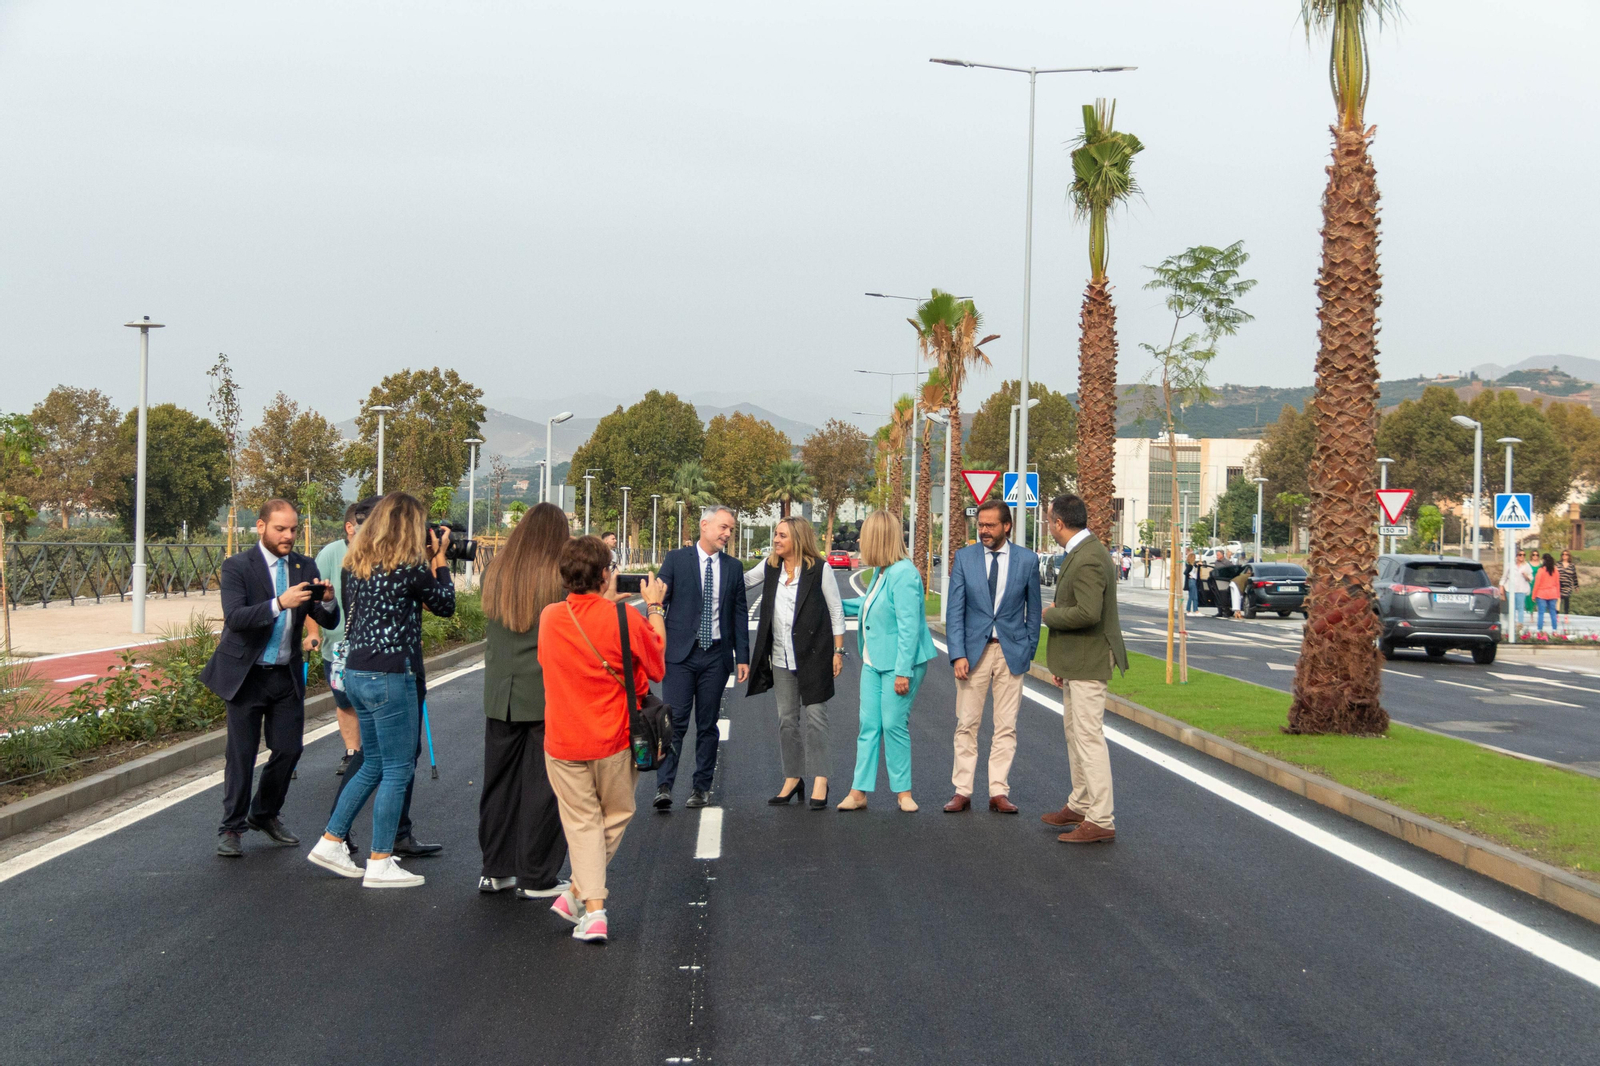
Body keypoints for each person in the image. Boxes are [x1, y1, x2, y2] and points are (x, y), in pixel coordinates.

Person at [307, 493, 455, 888]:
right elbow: (445, 605)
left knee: (372, 762)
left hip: (356, 672)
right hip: (391, 675)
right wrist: (440, 560)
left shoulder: (356, 564)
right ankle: (380, 860)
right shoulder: (410, 568)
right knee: (397, 768)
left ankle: (331, 841)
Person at [538, 536, 668, 944]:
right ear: (605, 574)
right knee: (616, 813)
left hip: (562, 740)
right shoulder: (624, 618)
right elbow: (657, 664)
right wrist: (654, 607)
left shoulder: (549, 617)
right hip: (612, 739)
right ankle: (595, 912)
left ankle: (578, 894)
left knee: (582, 823)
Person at [202, 499, 340, 857]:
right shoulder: (237, 566)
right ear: (261, 527)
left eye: (292, 529)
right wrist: (280, 602)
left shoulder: (304, 565)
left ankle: (263, 813)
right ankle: (231, 828)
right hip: (246, 676)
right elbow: (235, 617)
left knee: (290, 749)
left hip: (284, 674)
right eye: (280, 529)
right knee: (242, 755)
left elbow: (327, 620)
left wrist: (327, 601)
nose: (288, 536)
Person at [477, 502, 572, 899]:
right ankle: (536, 874)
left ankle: (496, 869)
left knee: (498, 785)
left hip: (501, 693)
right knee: (544, 787)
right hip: (547, 694)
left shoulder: (494, 571)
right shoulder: (559, 579)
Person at [941, 499, 1041, 814]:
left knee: (1006, 726)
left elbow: (1034, 612)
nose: (983, 530)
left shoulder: (1027, 560)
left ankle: (999, 791)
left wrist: (1028, 649)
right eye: (980, 524)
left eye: (990, 525)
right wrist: (957, 653)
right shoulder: (965, 558)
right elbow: (954, 611)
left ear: (1006, 526)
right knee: (966, 723)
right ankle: (962, 790)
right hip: (973, 654)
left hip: (1011, 652)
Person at [1040, 494, 1128, 844]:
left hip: (1090, 659)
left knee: (1089, 738)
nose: (1048, 527)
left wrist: (1051, 616)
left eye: (1049, 521)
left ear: (1059, 523)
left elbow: (1088, 613)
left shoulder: (1089, 557)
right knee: (1075, 735)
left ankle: (1101, 818)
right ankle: (1081, 803)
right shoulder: (1082, 551)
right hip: (1078, 659)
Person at [837, 510, 937, 813]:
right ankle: (858, 792)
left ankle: (904, 793)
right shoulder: (883, 571)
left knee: (893, 724)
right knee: (868, 725)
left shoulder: (904, 574)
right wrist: (833, 603)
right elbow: (867, 604)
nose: (859, 541)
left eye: (864, 536)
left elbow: (909, 627)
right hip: (874, 661)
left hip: (901, 664)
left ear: (878, 538)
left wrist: (903, 672)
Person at [744, 515, 845, 810]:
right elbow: (743, 582)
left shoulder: (819, 569)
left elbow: (836, 610)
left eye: (782, 536)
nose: (776, 540)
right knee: (787, 721)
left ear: (798, 539)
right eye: (776, 534)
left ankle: (821, 780)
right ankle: (793, 778)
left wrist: (838, 652)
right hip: (780, 656)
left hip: (814, 655)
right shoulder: (770, 566)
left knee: (816, 718)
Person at [652, 505, 750, 810]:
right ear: (704, 525)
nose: (728, 534)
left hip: (716, 656)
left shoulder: (733, 567)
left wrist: (742, 656)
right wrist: (654, 644)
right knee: (675, 722)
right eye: (723, 527)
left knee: (708, 724)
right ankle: (664, 786)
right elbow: (658, 601)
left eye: (731, 529)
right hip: (680, 656)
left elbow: (739, 613)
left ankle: (701, 787)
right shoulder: (676, 560)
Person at [306, 498, 378, 780]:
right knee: (345, 702)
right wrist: (313, 633)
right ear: (351, 527)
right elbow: (312, 598)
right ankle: (352, 752)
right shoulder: (330, 554)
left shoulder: (381, 554)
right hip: (337, 647)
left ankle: (372, 753)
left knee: (371, 702)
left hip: (372, 645)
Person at [1502, 548, 1532, 631]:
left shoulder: (1526, 566)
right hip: (1510, 590)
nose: (1522, 556)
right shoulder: (1510, 565)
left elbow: (1531, 578)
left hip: (1521, 590)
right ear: (1516, 556)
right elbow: (1504, 577)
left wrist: (1526, 576)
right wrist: (1501, 588)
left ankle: (1520, 625)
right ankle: (1512, 624)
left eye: (1524, 555)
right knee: (1512, 608)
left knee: (1520, 607)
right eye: (1520, 555)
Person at [1533, 553, 1561, 632]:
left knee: (1541, 613)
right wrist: (1558, 595)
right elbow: (1557, 584)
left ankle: (1539, 630)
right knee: (1553, 613)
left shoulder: (1541, 570)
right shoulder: (1555, 570)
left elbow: (1537, 583)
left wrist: (1533, 595)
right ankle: (1554, 630)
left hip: (1541, 594)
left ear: (1543, 560)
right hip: (1553, 594)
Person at [1557, 550, 1579, 617]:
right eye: (1563, 554)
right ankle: (1556, 615)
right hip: (1559, 585)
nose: (1564, 555)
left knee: (1566, 599)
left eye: (1566, 554)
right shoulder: (1558, 564)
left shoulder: (1571, 565)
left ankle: (1566, 616)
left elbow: (1574, 576)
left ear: (1569, 556)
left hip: (1567, 586)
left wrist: (1576, 586)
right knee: (1558, 600)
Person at [1184, 550, 1200, 615]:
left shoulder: (1192, 565)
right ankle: (1189, 610)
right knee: (1192, 596)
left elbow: (1195, 565)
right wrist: (1189, 576)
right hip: (1191, 581)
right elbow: (1185, 572)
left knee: (1194, 596)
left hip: (1193, 581)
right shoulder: (1190, 566)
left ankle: (1195, 610)